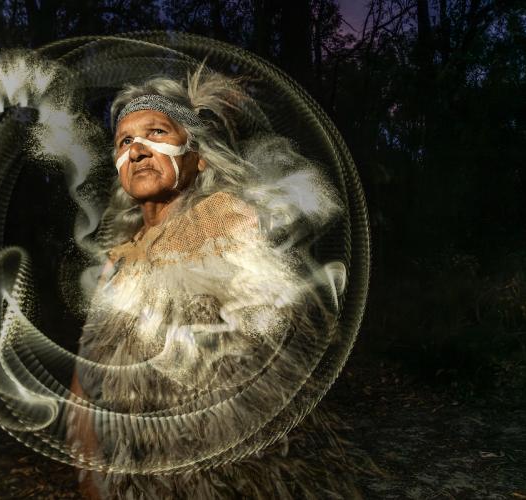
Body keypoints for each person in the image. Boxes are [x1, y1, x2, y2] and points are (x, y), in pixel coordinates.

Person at [68, 66, 360, 499]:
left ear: (197, 155)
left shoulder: (228, 220)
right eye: (124, 141)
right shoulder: (117, 264)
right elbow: (85, 382)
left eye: (156, 133)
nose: (138, 150)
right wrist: (90, 476)